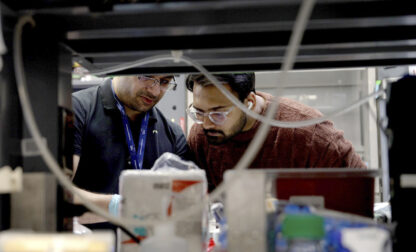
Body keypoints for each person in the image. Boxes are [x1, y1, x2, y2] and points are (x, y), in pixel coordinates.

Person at [186, 73, 366, 192]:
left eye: (218, 114)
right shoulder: (201, 137)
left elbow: (359, 189)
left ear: (249, 102)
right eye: (199, 112)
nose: (207, 123)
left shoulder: (308, 134)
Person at [71, 75, 190, 227]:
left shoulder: (172, 134)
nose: (154, 91)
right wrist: (119, 207)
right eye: (147, 77)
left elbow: (184, 209)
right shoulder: (76, 109)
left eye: (165, 82)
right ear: (123, 66)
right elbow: (56, 196)